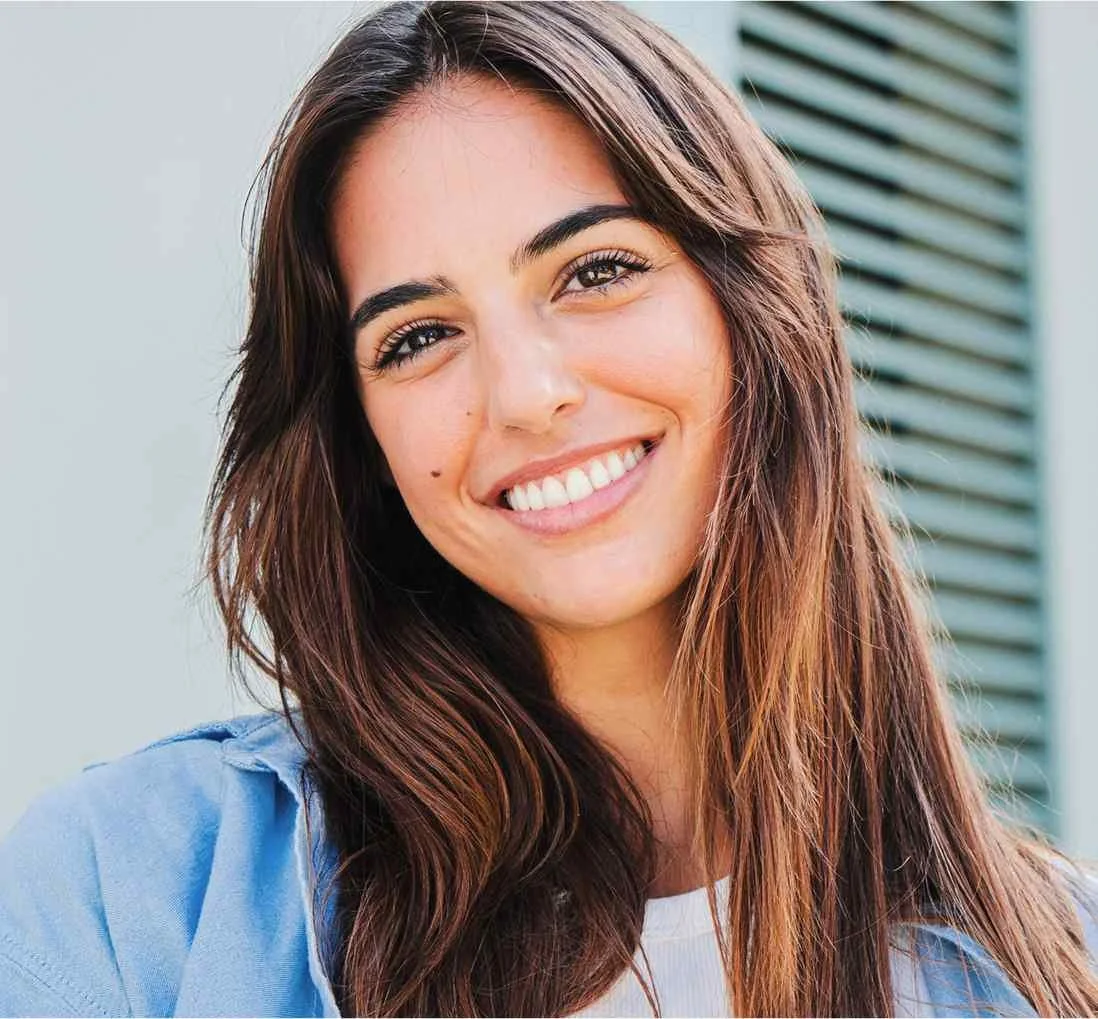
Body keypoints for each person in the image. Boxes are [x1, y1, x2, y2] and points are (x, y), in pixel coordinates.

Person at [2, 2, 1096, 1016]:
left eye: (596, 269)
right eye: (418, 337)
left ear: (754, 310)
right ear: (363, 442)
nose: (526, 395)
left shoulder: (1058, 965)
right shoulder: (122, 904)